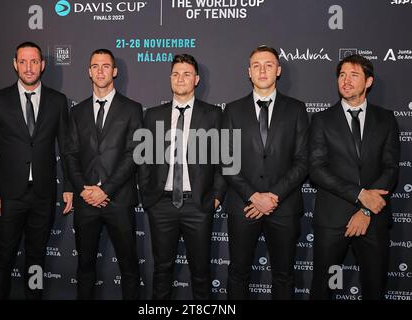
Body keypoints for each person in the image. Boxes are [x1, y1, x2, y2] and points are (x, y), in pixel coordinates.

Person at [0, 41, 73, 299]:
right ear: (15, 64)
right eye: (23, 61)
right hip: (7, 197)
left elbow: (66, 149)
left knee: (36, 260)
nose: (28, 67)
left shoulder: (57, 101)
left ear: (42, 65)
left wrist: (69, 187)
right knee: (4, 259)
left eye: (34, 62)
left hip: (42, 196)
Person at [309, 54, 400, 300]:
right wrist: (360, 196)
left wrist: (366, 211)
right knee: (322, 289)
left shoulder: (386, 119)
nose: (346, 81)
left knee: (374, 289)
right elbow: (317, 169)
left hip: (373, 221)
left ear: (368, 82)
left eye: (354, 75)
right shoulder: (321, 120)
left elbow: (391, 169)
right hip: (332, 220)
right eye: (342, 75)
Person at [221, 45, 309, 299]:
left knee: (283, 274)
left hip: (284, 206)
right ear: (249, 72)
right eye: (256, 65)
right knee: (238, 273)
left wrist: (272, 196)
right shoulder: (232, 110)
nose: (262, 70)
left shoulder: (296, 109)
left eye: (268, 64)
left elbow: (303, 161)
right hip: (243, 206)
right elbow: (227, 161)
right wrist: (254, 196)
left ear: (278, 70)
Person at [138, 54, 226, 299]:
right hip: (162, 204)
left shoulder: (214, 115)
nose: (180, 78)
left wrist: (216, 196)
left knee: (201, 273)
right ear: (170, 78)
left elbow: (226, 159)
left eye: (187, 74)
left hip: (198, 205)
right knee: (162, 270)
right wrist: (149, 195)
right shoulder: (153, 115)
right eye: (176, 74)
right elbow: (142, 159)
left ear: (196, 79)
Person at [65, 49, 142, 300]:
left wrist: (105, 189)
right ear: (89, 71)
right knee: (85, 267)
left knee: (129, 268)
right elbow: (70, 155)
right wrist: (84, 190)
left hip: (119, 200)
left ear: (114, 71)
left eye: (105, 66)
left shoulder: (132, 109)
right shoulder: (76, 112)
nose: (100, 71)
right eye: (95, 66)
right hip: (86, 201)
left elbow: (134, 154)